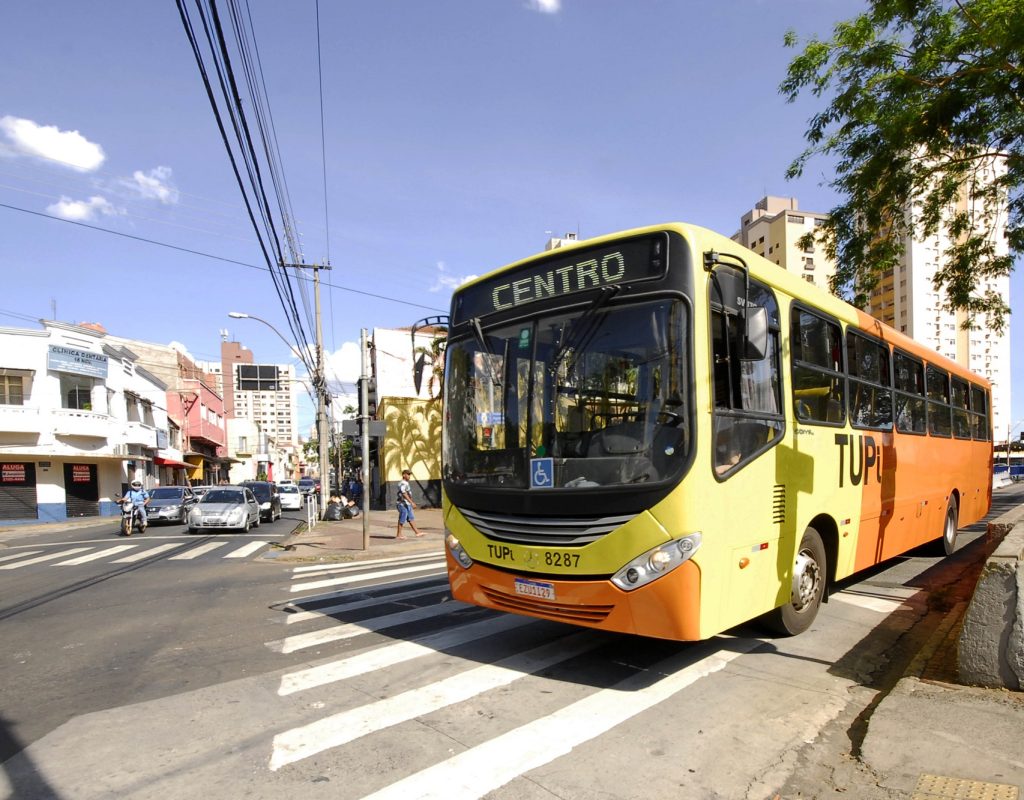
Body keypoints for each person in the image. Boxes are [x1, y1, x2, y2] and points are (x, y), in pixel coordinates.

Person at [395, 468, 425, 539]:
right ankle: (399, 534)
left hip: (407, 504)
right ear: (403, 475)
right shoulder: (402, 483)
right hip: (402, 504)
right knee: (402, 518)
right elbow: (404, 493)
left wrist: (411, 502)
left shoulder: (406, 483)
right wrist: (411, 502)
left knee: (411, 518)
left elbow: (407, 493)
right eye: (408, 474)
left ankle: (417, 532)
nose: (409, 476)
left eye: (409, 475)